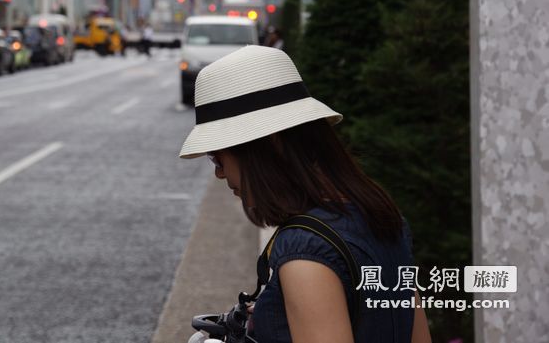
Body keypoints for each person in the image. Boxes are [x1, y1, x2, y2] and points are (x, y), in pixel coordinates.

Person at [179, 46, 431, 343]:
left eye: (217, 158)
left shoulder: (306, 249)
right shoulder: (380, 215)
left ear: (270, 144)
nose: (219, 173)